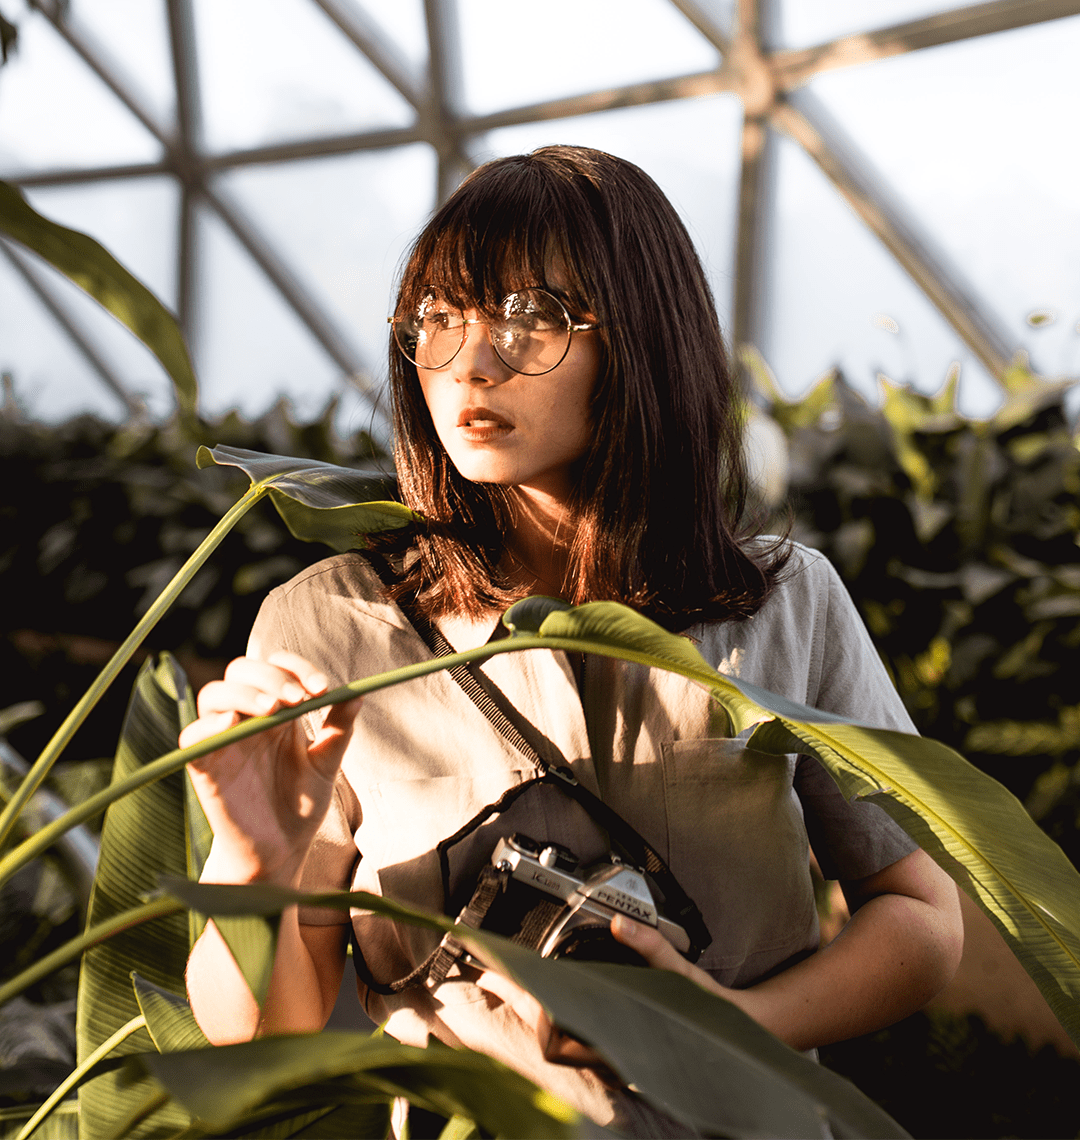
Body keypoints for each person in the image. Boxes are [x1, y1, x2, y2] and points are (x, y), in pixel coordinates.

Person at [181, 145, 963, 1134]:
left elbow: (922, 915)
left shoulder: (779, 601)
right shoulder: (334, 624)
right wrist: (250, 862)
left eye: (531, 317)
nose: (472, 361)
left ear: (642, 339)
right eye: (439, 317)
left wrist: (737, 1024)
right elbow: (261, 1037)